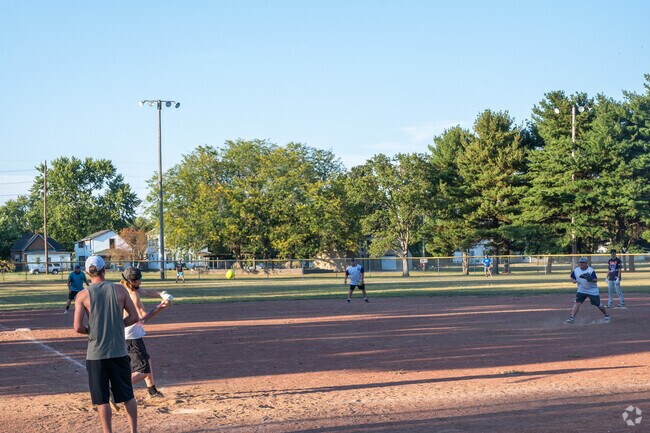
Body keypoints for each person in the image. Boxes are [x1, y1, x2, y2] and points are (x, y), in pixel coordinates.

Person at [73, 256, 140, 433]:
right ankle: (134, 430)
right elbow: (134, 317)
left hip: (96, 354)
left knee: (102, 399)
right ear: (105, 270)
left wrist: (92, 330)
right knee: (127, 395)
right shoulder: (120, 290)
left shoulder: (82, 295)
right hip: (118, 351)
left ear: (88, 273)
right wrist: (117, 326)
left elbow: (78, 327)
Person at [120, 267, 172, 399]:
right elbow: (143, 318)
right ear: (132, 281)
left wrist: (161, 294)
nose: (141, 282)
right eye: (139, 280)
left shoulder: (121, 288)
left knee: (146, 360)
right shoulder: (133, 295)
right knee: (142, 371)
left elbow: (146, 291)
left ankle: (152, 390)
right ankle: (115, 389)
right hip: (131, 336)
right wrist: (162, 307)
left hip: (123, 333)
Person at [567, 257, 610, 324]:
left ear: (586, 263)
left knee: (598, 304)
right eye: (580, 263)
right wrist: (574, 281)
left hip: (592, 290)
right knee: (577, 302)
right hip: (581, 290)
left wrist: (591, 279)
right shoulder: (576, 270)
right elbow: (572, 277)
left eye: (583, 263)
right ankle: (572, 317)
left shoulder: (590, 270)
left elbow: (595, 280)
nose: (581, 264)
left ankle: (606, 315)